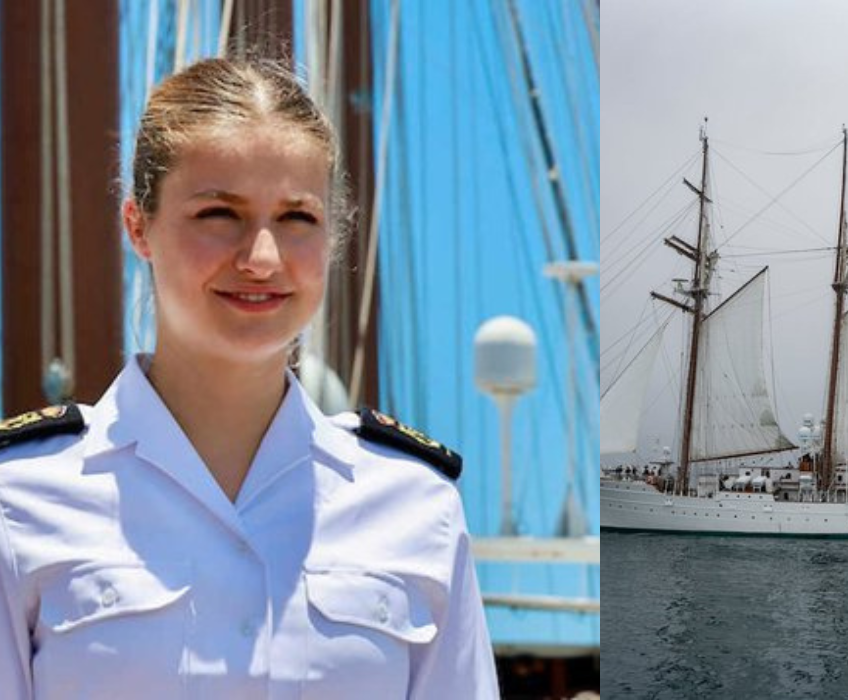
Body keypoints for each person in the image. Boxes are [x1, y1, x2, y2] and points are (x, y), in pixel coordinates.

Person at [0, 55, 499, 698]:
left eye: (298, 219)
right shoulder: (18, 502)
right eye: (218, 214)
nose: (262, 258)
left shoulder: (418, 508)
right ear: (138, 226)